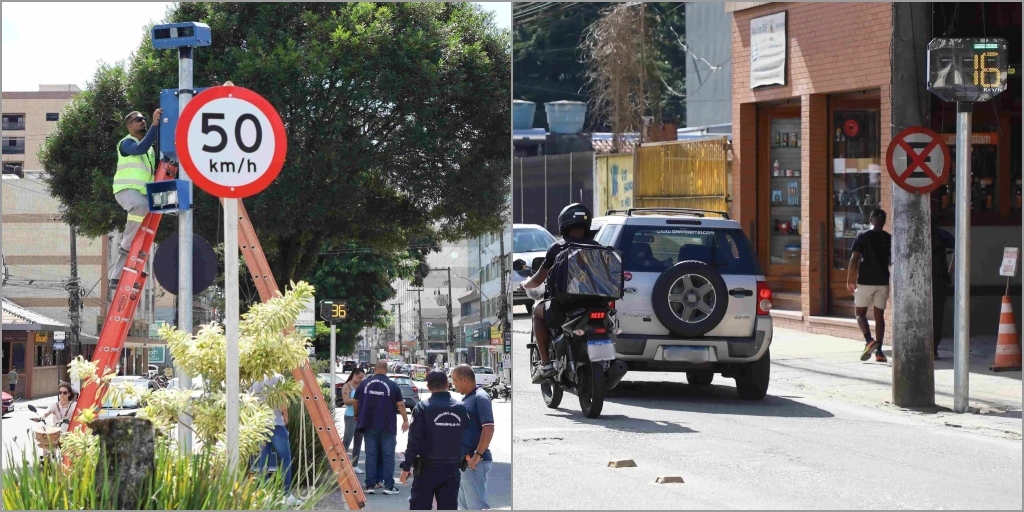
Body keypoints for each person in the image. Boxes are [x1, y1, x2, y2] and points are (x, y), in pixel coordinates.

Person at [519, 203, 605, 380]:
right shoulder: (597, 247)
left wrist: (525, 284)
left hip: (564, 307)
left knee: (536, 312)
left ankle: (545, 364)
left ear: (563, 225)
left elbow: (538, 280)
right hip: (596, 305)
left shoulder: (558, 248)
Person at [400, 370, 469, 510]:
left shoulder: (423, 407)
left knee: (420, 507)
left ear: (429, 386)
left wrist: (406, 467)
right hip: (452, 467)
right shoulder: (461, 408)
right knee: (448, 507)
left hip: (427, 468)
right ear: (447, 384)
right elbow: (467, 437)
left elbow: (414, 441)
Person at [109, 108, 162, 290]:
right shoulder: (126, 143)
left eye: (143, 119)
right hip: (126, 191)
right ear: (129, 125)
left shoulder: (150, 151)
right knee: (140, 207)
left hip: (143, 195)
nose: (142, 121)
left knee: (142, 234)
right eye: (138, 119)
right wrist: (154, 126)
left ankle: (117, 277)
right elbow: (140, 148)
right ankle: (125, 243)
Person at [355, 360, 410, 495]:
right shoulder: (392, 385)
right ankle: (389, 486)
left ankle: (369, 485)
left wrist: (357, 415)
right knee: (388, 456)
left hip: (368, 424)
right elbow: (401, 405)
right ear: (386, 370)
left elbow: (356, 401)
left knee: (371, 455)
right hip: (387, 425)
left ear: (375, 369)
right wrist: (405, 420)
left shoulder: (364, 383)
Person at [847, 208, 892, 363]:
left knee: (860, 313)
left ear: (871, 219)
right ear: (884, 221)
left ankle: (869, 340)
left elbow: (854, 259)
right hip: (883, 281)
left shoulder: (863, 236)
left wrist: (849, 279)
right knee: (879, 317)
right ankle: (879, 352)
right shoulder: (889, 238)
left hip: (865, 281)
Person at [251, 374, 301, 507]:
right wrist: (286, 415)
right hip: (276, 423)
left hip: (261, 423)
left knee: (264, 459)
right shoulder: (278, 377)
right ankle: (286, 494)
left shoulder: (257, 377)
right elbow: (282, 397)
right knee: (285, 459)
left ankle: (262, 493)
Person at [452, 364, 494, 510]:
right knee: (464, 507)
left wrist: (478, 455)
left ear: (465, 380)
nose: (453, 384)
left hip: (475, 463)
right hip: (465, 462)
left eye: (455, 380)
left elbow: (488, 428)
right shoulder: (468, 398)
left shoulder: (480, 397)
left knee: (477, 506)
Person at [931, 215, 956, 359]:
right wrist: (951, 270)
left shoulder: (919, 235)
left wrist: (951, 270)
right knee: (937, 315)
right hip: (939, 280)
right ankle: (933, 348)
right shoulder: (941, 234)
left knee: (934, 315)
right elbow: (959, 245)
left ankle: (931, 348)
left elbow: (959, 246)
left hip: (934, 280)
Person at [342, 368, 366, 474]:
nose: (361, 379)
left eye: (362, 378)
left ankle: (355, 465)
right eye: (360, 377)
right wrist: (357, 400)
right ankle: (342, 464)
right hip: (350, 416)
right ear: (354, 375)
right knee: (347, 440)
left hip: (360, 417)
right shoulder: (347, 386)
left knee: (358, 441)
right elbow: (346, 401)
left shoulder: (362, 386)